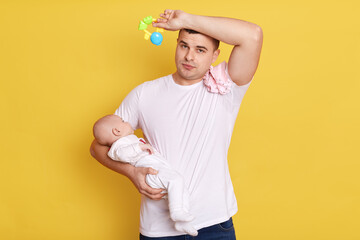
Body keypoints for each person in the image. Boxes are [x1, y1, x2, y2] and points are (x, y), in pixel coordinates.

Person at [90, 9, 263, 239]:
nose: (189, 56)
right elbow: (97, 146)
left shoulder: (225, 86)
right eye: (184, 46)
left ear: (215, 55)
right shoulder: (144, 94)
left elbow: (253, 35)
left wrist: (186, 20)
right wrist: (132, 172)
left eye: (200, 50)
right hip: (158, 229)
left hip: (214, 224)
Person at [92, 114, 198, 236]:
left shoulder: (129, 139)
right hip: (150, 172)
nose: (127, 122)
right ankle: (177, 211)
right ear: (117, 131)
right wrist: (140, 147)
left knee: (180, 189)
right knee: (176, 180)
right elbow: (122, 154)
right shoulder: (118, 145)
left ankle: (181, 222)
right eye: (123, 121)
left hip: (157, 169)